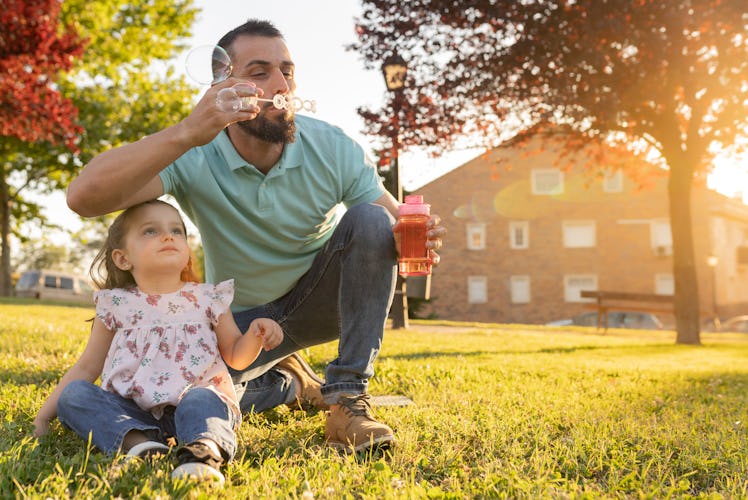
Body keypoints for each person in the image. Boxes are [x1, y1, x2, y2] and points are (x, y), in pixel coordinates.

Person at [66, 19, 446, 453]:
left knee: (372, 221)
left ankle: (345, 400)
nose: (281, 83)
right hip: (241, 324)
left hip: (319, 304)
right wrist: (187, 131)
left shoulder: (333, 146)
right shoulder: (193, 151)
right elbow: (83, 197)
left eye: (287, 70)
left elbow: (390, 226)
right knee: (183, 403)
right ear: (222, 86)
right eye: (260, 72)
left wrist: (414, 236)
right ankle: (288, 381)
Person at [33, 200, 284, 484]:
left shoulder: (208, 298)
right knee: (75, 395)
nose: (168, 236)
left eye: (177, 231)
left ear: (187, 253)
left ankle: (204, 451)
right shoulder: (115, 304)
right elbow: (86, 367)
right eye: (150, 231)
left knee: (204, 396)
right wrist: (43, 418)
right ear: (123, 258)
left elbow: (236, 357)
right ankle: (142, 445)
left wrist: (254, 335)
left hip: (193, 402)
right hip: (130, 410)